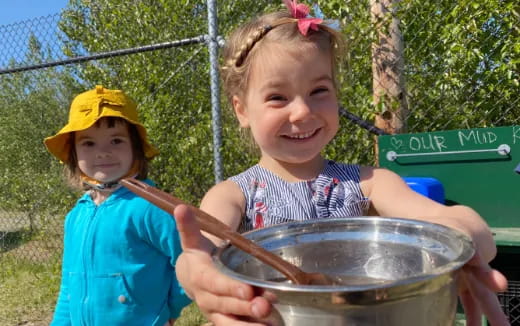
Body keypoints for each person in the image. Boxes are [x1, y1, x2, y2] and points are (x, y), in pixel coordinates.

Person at [173, 1, 510, 325]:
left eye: (319, 90)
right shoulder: (233, 195)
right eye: (277, 97)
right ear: (242, 110)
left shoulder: (370, 183)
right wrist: (198, 274)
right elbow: (200, 254)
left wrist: (462, 244)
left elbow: (460, 225)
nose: (303, 111)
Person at [44, 85, 191, 325]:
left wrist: (170, 310)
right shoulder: (75, 217)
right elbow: (69, 287)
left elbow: (191, 261)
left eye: (116, 140)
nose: (102, 152)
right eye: (88, 143)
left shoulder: (150, 208)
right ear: (73, 153)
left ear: (136, 147)